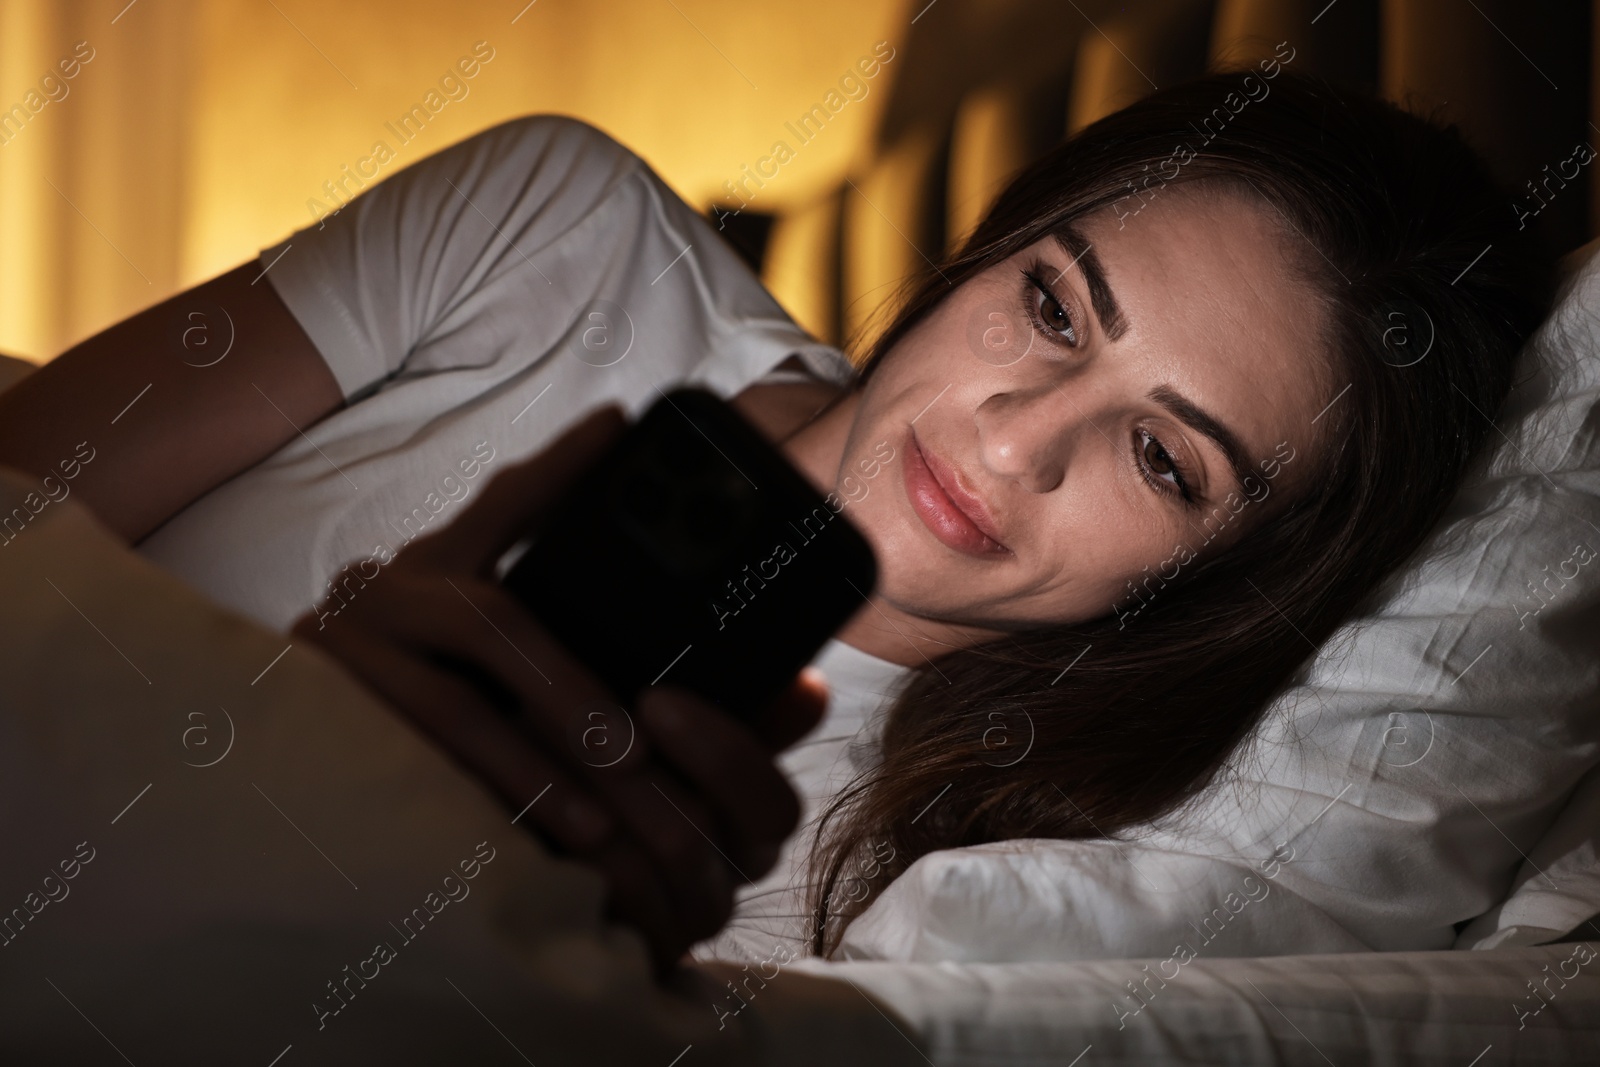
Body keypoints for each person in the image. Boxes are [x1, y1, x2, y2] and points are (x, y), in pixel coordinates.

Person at [0, 66, 1557, 976]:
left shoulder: (978, 881)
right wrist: (271, 711)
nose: (1015, 442)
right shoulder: (558, 229)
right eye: (1053, 305)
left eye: (1165, 461)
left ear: (1235, 576)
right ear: (990, 243)